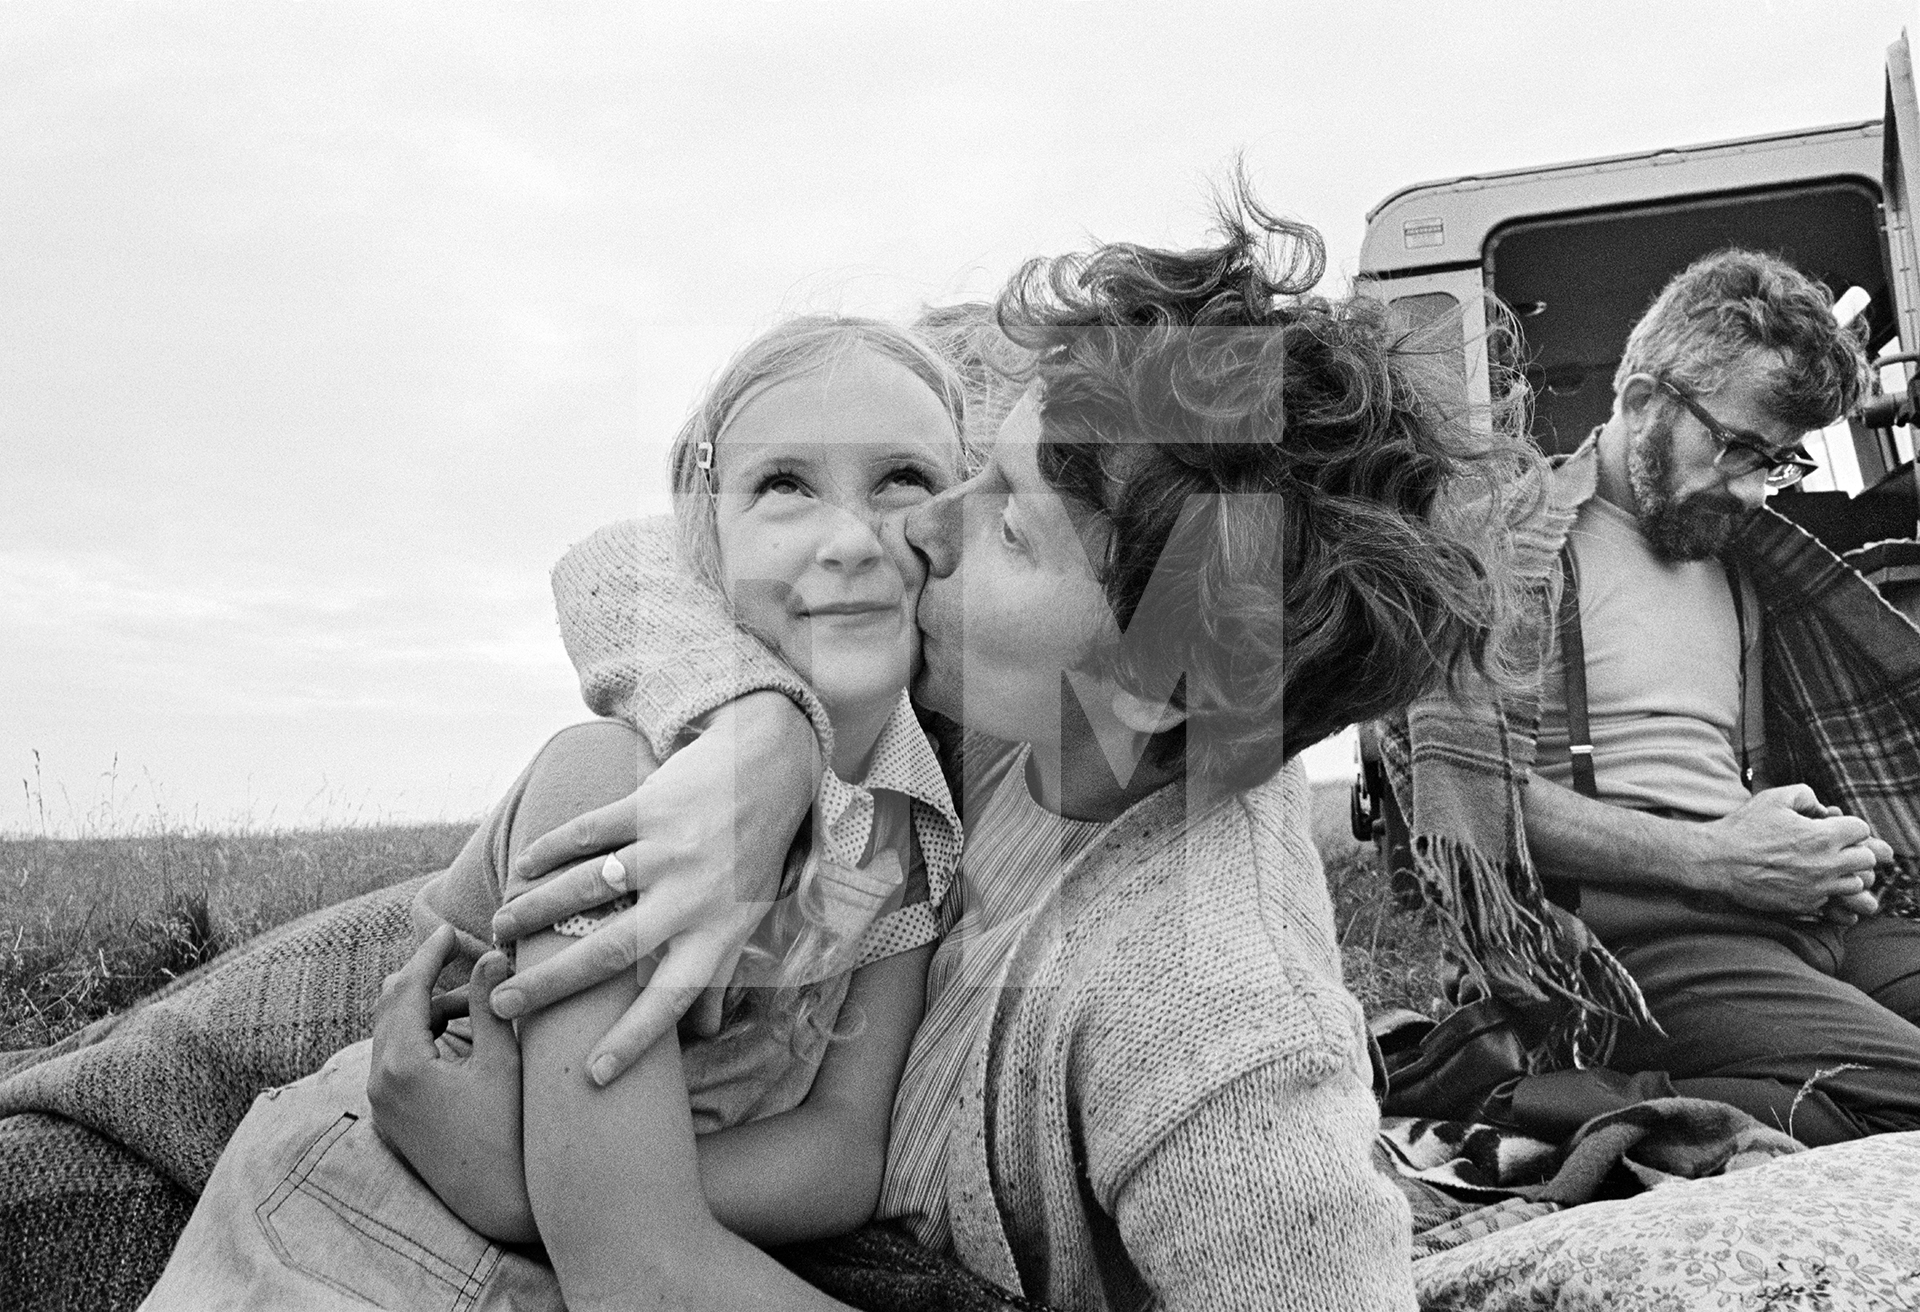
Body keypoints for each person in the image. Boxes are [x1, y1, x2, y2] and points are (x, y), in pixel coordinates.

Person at [373, 188, 1545, 1310]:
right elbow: (640, 557)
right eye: (975, 471)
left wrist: (555, 1189)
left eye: (1009, 524)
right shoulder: (1005, 711)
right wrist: (756, 732)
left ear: (1162, 678)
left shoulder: (1220, 1035)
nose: (919, 531)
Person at [136, 314, 971, 1308]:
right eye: (784, 484)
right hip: (360, 1228)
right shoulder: (608, 785)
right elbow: (636, 1269)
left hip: (568, 1240)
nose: (849, 539)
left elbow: (844, 1146)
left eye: (904, 480)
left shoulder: (907, 834)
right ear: (704, 547)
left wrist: (557, 1186)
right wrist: (598, 1201)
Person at [1385, 248, 1920, 1147]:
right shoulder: (1509, 546)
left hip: (1787, 922)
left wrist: (1810, 848)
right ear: (1642, 402)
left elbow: (1743, 783)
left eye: (1779, 461)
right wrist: (1717, 860)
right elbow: (1469, 799)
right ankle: (1541, 1096)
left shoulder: (1752, 566)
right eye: (1739, 449)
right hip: (1628, 951)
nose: (1754, 489)